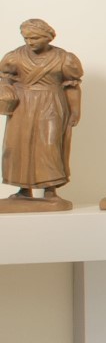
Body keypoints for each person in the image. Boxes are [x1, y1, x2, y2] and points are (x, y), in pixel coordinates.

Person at [0, 19, 82, 209]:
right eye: (27, 38)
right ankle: (23, 189)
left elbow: (72, 86)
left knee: (49, 144)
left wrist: (75, 110)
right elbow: (4, 77)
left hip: (51, 102)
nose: (30, 42)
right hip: (22, 104)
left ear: (48, 37)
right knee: (19, 144)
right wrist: (5, 90)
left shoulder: (64, 58)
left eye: (35, 38)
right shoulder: (14, 57)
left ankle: (50, 189)